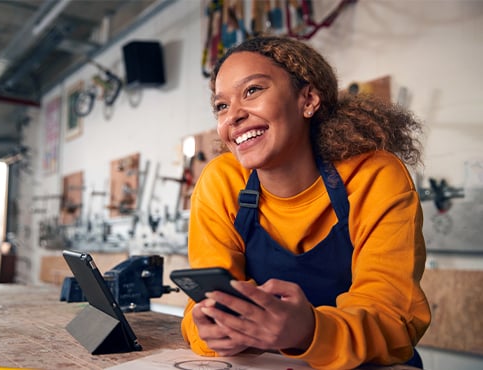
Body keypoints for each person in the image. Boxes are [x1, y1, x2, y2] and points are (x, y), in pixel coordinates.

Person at [180, 36, 431, 369]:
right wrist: (208, 330)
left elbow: (394, 318)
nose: (233, 116)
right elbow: (199, 307)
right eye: (221, 106)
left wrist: (310, 332)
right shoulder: (220, 182)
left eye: (253, 90)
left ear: (308, 99)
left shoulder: (373, 176)